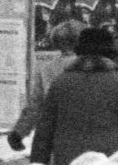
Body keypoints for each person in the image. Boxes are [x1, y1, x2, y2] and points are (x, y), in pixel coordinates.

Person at [29, 25, 118, 165]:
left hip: (67, 161)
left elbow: (45, 128)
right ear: (110, 54)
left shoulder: (62, 81)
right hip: (108, 161)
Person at [8, 19, 81, 147]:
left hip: (57, 135)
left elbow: (35, 106)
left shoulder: (47, 70)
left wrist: (18, 133)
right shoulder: (94, 66)